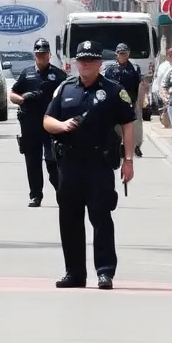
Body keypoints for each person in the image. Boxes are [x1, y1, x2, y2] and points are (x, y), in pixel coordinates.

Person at [43, 41, 136, 290]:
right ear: (76, 63)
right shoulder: (65, 88)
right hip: (70, 163)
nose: (84, 64)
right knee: (69, 219)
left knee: (101, 218)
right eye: (81, 59)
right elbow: (48, 120)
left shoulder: (114, 91)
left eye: (90, 60)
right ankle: (74, 273)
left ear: (99, 63)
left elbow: (128, 124)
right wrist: (61, 126)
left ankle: (104, 272)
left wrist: (128, 160)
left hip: (99, 163)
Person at [9, 38, 68, 207]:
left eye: (44, 54)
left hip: (51, 123)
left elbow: (67, 96)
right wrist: (22, 99)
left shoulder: (58, 75)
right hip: (30, 125)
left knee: (53, 160)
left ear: (49, 55)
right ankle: (36, 195)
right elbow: (12, 93)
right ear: (35, 55)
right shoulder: (26, 73)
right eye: (38, 54)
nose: (41, 57)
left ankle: (61, 192)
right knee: (32, 161)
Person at [104, 43, 144, 157]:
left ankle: (136, 146)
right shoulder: (110, 69)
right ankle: (117, 146)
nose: (122, 55)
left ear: (128, 54)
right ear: (116, 55)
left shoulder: (134, 68)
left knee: (136, 125)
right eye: (120, 53)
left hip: (131, 101)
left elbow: (139, 85)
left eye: (124, 53)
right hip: (115, 103)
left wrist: (139, 102)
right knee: (116, 127)